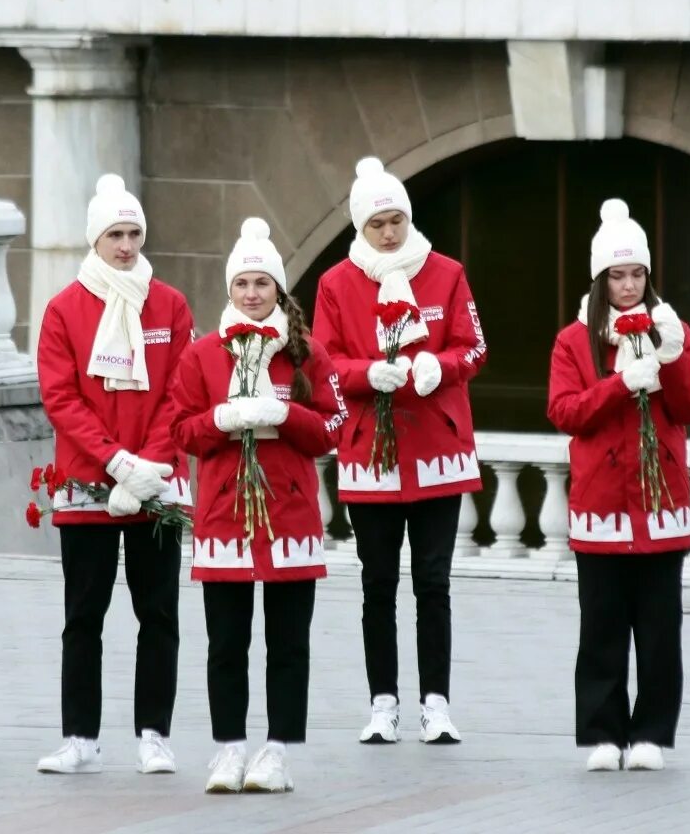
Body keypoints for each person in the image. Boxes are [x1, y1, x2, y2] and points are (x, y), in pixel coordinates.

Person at [312, 157, 488, 745]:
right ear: (360, 228)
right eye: (377, 224)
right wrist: (370, 375)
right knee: (377, 583)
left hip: (438, 449)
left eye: (397, 220)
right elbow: (325, 365)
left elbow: (474, 347)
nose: (389, 233)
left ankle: (435, 703)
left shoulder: (447, 273)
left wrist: (440, 365)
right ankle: (382, 702)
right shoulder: (336, 285)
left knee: (433, 582)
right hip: (372, 456)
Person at [169, 218, 346, 793]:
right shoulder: (202, 356)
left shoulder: (306, 353)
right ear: (229, 290)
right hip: (224, 516)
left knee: (288, 643)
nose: (251, 294)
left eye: (262, 284)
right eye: (242, 283)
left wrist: (284, 414)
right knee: (226, 643)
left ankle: (278, 752)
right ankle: (228, 749)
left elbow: (334, 429)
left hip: (290, 516)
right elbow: (181, 430)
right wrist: (222, 419)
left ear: (278, 289)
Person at [35, 174, 194, 777]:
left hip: (156, 486)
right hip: (87, 484)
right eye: (115, 235)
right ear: (95, 241)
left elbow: (181, 392)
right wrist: (114, 461)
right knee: (84, 617)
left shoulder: (171, 305)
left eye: (133, 234)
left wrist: (148, 466)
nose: (126, 246)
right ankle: (80, 738)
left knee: (158, 616)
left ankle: (154, 735)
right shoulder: (64, 309)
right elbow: (60, 396)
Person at [548, 200, 690, 773]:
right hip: (599, 505)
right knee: (602, 627)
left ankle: (651, 734)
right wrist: (620, 385)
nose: (628, 285)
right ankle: (602, 733)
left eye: (637, 274)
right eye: (617, 276)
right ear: (600, 280)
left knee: (661, 630)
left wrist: (668, 361)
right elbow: (565, 411)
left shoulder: (676, 331)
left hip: (662, 505)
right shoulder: (574, 340)